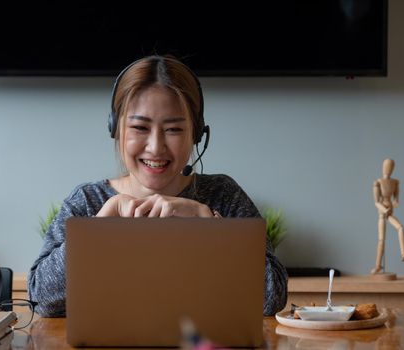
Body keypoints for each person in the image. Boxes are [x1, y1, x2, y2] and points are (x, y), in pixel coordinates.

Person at [27, 55, 288, 317]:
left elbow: (271, 297)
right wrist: (96, 230)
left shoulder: (223, 196)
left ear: (196, 134)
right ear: (115, 129)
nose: (155, 147)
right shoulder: (88, 201)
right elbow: (42, 301)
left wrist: (209, 224)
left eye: (173, 130)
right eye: (140, 127)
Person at [371, 158, 404, 274]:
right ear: (383, 167)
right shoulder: (377, 182)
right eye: (386, 166)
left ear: (393, 169)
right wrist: (384, 210)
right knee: (381, 240)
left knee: (400, 227)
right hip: (382, 215)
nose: (388, 168)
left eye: (390, 166)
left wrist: (393, 205)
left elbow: (396, 200)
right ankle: (378, 265)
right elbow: (376, 202)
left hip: (390, 213)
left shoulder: (395, 182)